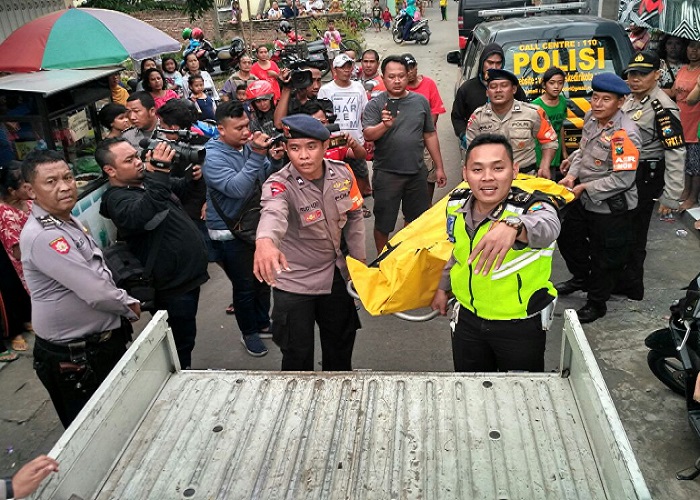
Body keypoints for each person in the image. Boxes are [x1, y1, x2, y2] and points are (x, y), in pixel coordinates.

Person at [20, 150, 140, 427]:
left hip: (96, 345)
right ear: (30, 190)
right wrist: (128, 305)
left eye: (68, 177)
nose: (64, 187)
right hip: (75, 357)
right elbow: (95, 292)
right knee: (92, 430)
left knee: (117, 419)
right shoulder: (45, 236)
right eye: (50, 182)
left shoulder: (64, 220)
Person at [431, 134, 560, 372]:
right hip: (468, 319)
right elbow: (457, 250)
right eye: (477, 169)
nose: (487, 177)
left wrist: (514, 226)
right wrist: (442, 287)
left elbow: (549, 226)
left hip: (519, 325)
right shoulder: (455, 204)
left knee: (519, 396)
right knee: (471, 389)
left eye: (498, 168)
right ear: (465, 173)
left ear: (514, 170)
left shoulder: (532, 205)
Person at [254, 114, 365, 370]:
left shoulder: (343, 173)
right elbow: (273, 212)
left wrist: (358, 264)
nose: (303, 156)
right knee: (296, 356)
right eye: (294, 148)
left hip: (336, 276)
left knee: (339, 350)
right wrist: (265, 242)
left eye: (311, 147)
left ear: (326, 146)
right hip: (295, 284)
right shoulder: (279, 184)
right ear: (286, 149)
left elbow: (356, 214)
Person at [97, 138, 209, 369]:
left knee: (186, 334)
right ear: (110, 170)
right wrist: (159, 172)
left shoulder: (146, 181)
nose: (138, 162)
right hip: (170, 287)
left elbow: (183, 190)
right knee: (179, 340)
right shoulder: (117, 199)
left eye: (137, 156)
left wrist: (193, 178)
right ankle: (179, 377)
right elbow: (143, 213)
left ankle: (182, 370)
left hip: (187, 279)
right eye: (129, 160)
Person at [202, 100, 285, 357]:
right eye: (238, 128)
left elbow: (260, 178)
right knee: (244, 285)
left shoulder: (245, 147)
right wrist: (258, 155)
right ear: (221, 130)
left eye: (247, 125)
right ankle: (248, 332)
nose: (246, 132)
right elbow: (236, 189)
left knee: (263, 279)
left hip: (253, 225)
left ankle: (262, 323)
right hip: (229, 232)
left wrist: (271, 160)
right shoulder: (211, 157)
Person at [556, 73, 641, 323]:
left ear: (620, 102)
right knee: (568, 237)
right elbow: (583, 150)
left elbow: (622, 180)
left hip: (610, 206)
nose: (598, 104)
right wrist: (572, 176)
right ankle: (581, 277)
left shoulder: (626, 134)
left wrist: (583, 187)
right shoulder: (592, 118)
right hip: (583, 197)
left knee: (605, 256)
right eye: (595, 97)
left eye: (606, 99)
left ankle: (596, 302)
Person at [617, 52, 685, 300]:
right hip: (626, 172)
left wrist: (671, 195)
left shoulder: (662, 107)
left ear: (657, 75)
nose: (635, 79)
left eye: (642, 74)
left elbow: (676, 151)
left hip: (645, 175)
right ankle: (623, 279)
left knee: (636, 233)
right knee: (622, 230)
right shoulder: (631, 101)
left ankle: (633, 285)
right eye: (632, 74)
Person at [362, 55, 446, 253]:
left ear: (408, 76)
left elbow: (429, 134)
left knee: (417, 220)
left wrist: (439, 167)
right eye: (392, 76)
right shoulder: (375, 105)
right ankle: (383, 261)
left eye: (401, 75)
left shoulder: (420, 102)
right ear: (383, 78)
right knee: (384, 223)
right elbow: (368, 134)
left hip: (417, 173)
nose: (397, 80)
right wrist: (385, 125)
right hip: (387, 174)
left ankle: (410, 256)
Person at [466, 68, 558, 178]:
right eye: (493, 87)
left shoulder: (532, 113)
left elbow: (549, 141)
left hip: (525, 177)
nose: (498, 90)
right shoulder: (478, 117)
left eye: (504, 85)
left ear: (513, 89)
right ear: (487, 92)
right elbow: (472, 150)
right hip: (491, 178)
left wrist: (544, 166)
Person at [451, 43, 527, 145]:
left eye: (498, 63)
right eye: (490, 62)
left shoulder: (512, 86)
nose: (494, 67)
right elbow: (457, 117)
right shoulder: (467, 89)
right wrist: (464, 135)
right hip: (479, 145)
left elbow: (526, 109)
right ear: (482, 62)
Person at [318, 53, 372, 199]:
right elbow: (321, 117)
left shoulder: (358, 87)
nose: (346, 70)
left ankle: (359, 204)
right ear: (334, 70)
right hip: (334, 142)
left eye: (349, 67)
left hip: (356, 140)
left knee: (359, 173)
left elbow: (364, 112)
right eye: (342, 68)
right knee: (336, 177)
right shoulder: (326, 90)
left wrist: (368, 136)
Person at [404, 53, 446, 202]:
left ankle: (427, 206)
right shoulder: (399, 88)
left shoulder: (429, 84)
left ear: (416, 68)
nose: (409, 72)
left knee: (429, 176)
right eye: (405, 69)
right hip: (407, 142)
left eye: (411, 68)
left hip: (427, 139)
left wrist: (424, 130)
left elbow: (435, 112)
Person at [0, 162, 32, 352]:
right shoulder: (5, 214)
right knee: (11, 291)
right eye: (24, 184)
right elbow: (16, 250)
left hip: (34, 255)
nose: (29, 186)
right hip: (19, 259)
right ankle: (15, 332)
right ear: (12, 191)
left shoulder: (27, 201)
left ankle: (28, 320)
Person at [669, 40, 700, 210]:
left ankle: (693, 196)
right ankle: (685, 190)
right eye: (690, 46)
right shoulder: (682, 70)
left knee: (694, 164)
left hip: (696, 121)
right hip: (681, 120)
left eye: (698, 47)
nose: (693, 50)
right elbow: (674, 92)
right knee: (684, 160)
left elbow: (691, 99)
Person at [532, 67, 569, 180]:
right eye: (552, 83)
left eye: (560, 83)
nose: (556, 87)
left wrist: (564, 152)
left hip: (555, 151)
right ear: (544, 85)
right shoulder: (536, 105)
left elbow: (561, 127)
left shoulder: (562, 102)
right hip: (539, 152)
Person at [274, 65, 323, 129]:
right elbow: (279, 125)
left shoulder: (323, 102)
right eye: (312, 81)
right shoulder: (287, 103)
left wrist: (304, 101)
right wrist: (286, 88)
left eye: (318, 80)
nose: (316, 86)